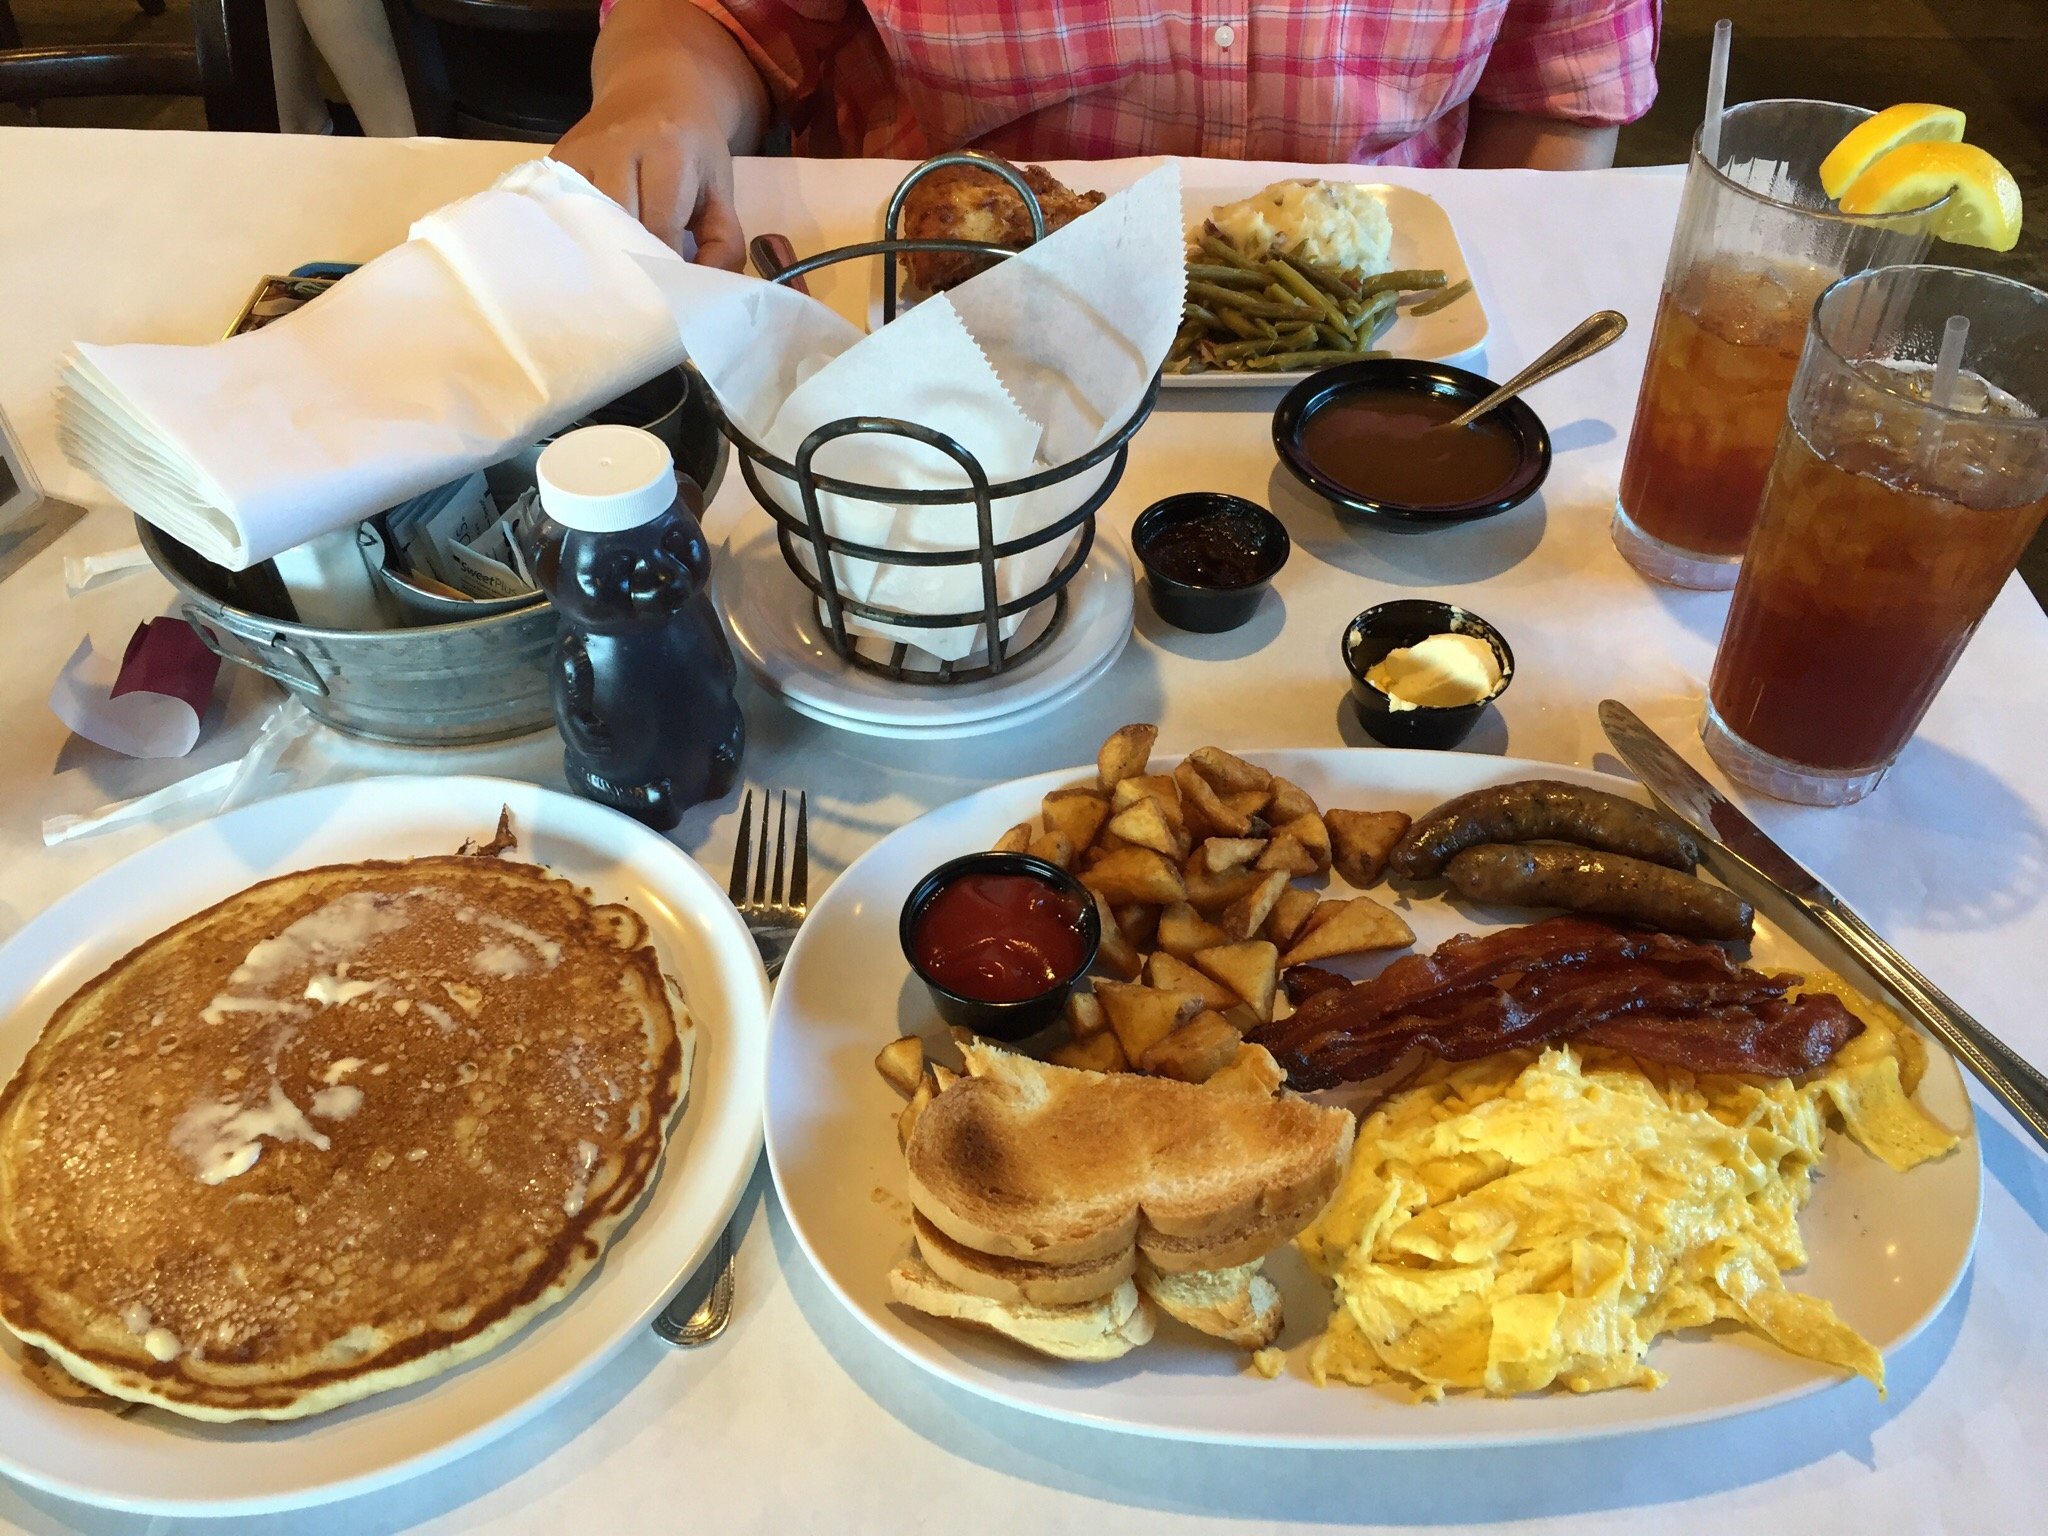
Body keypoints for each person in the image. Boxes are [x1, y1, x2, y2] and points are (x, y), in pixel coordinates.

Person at [555, 0, 1660, 267]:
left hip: (1366, 348)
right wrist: (658, 99)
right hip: (938, 341)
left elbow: (1553, 99)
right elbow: (716, 18)